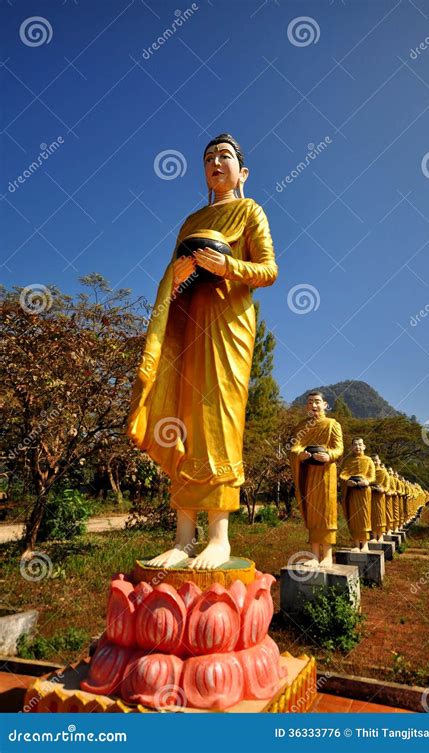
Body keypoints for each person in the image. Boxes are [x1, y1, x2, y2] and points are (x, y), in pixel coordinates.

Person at [127, 134, 278, 569]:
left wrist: (226, 265)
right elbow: (169, 275)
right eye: (209, 157)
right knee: (186, 418)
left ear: (242, 172)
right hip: (189, 323)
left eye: (225, 156)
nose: (215, 162)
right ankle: (181, 537)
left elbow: (269, 270)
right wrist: (179, 274)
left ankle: (219, 537)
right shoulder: (191, 219)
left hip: (229, 325)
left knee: (221, 421)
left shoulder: (250, 210)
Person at [290, 392, 344, 568]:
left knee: (327, 513)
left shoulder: (332, 425)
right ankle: (313, 555)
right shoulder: (301, 427)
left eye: (317, 402)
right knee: (313, 513)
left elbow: (339, 448)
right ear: (307, 406)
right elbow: (295, 447)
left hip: (326, 473)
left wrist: (328, 456)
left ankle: (327, 555)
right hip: (309, 474)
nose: (314, 405)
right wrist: (301, 454)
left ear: (325, 405)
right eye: (310, 402)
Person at [340, 437, 375, 551]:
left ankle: (365, 544)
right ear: (351, 447)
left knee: (364, 516)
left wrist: (367, 482)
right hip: (352, 492)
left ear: (364, 446)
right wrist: (347, 481)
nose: (357, 447)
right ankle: (356, 544)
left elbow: (372, 476)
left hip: (364, 492)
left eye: (360, 444)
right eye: (355, 445)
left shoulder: (368, 460)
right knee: (354, 517)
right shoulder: (347, 460)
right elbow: (342, 474)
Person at [370, 454, 388, 542]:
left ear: (379, 461)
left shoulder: (383, 472)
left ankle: (380, 536)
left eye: (376, 460)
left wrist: (382, 489)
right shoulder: (368, 472)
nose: (374, 462)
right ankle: (373, 536)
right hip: (370, 496)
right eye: (372, 460)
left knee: (380, 515)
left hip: (380, 497)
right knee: (371, 516)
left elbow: (387, 486)